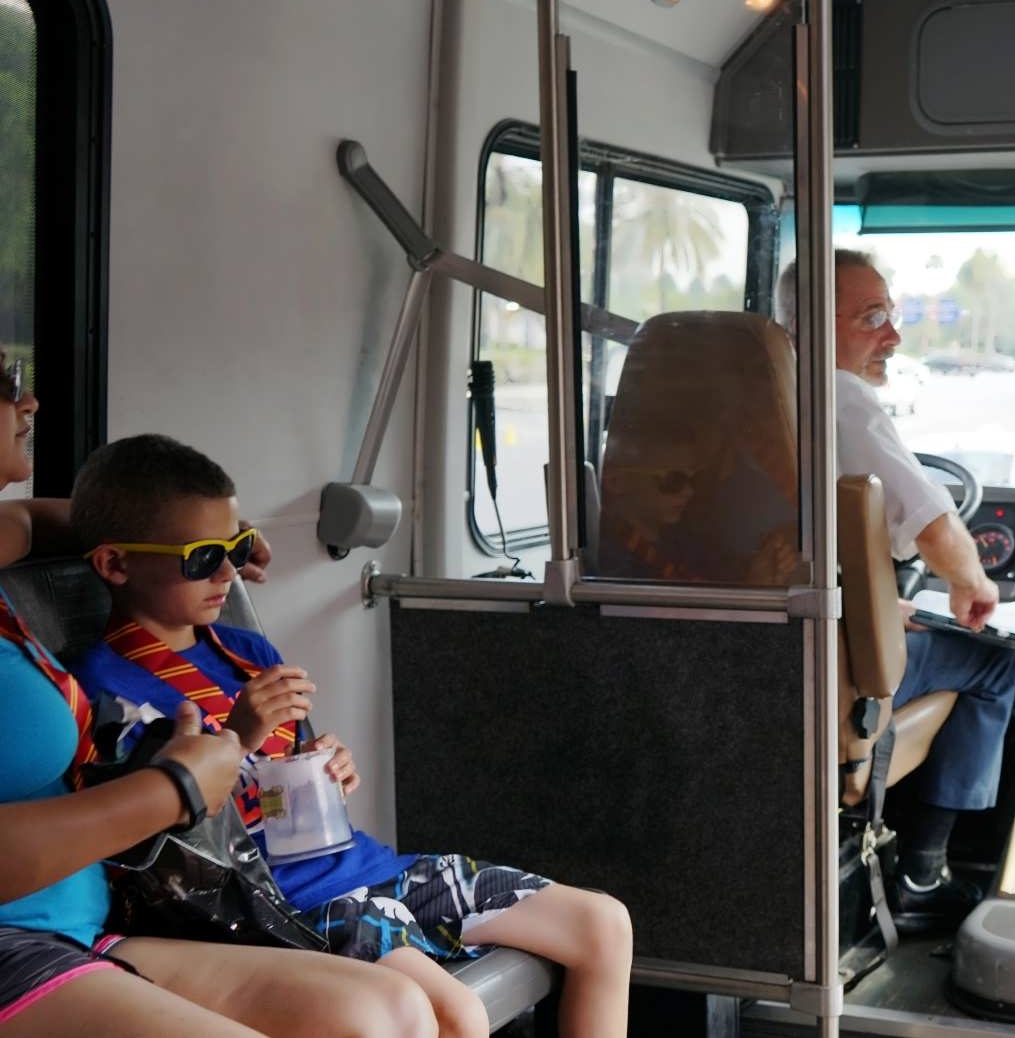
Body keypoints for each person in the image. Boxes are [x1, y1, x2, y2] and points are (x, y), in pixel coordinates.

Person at [66, 435, 633, 1038]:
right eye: (203, 558)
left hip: (363, 865)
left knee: (602, 922)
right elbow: (160, 849)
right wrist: (237, 739)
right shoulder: (105, 695)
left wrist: (323, 768)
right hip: (289, 903)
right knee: (458, 1014)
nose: (230, 573)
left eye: (234, 548)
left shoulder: (245, 652)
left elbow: (284, 782)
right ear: (115, 564)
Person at [0, 359, 443, 1036]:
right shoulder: (106, 669)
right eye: (5, 382)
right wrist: (177, 785)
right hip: (22, 946)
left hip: (74, 924)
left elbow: (39, 521)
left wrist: (206, 545)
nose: (28, 397)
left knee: (389, 1008)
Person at [778, 252, 1015, 931]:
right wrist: (972, 584)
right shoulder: (837, 394)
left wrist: (875, 608)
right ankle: (922, 876)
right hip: (822, 669)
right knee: (993, 663)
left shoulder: (744, 407)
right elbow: (932, 523)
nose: (894, 337)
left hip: (751, 654)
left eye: (893, 316)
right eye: (872, 317)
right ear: (808, 326)